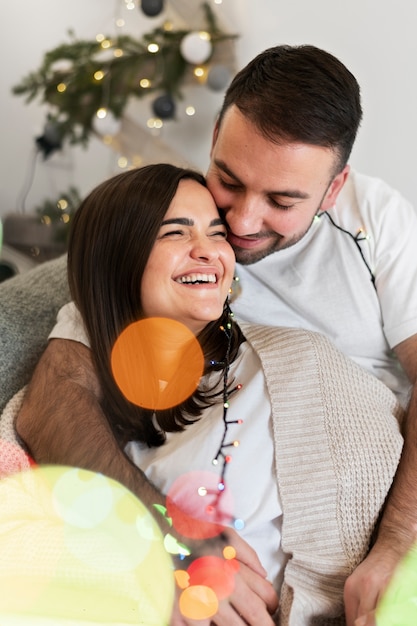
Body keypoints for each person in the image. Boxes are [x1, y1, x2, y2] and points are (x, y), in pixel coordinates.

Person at [10, 44, 417, 624]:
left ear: (333, 190)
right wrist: (165, 536)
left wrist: (398, 547)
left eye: (281, 200)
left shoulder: (378, 226)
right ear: (214, 145)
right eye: (230, 179)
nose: (243, 223)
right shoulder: (171, 222)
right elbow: (54, 394)